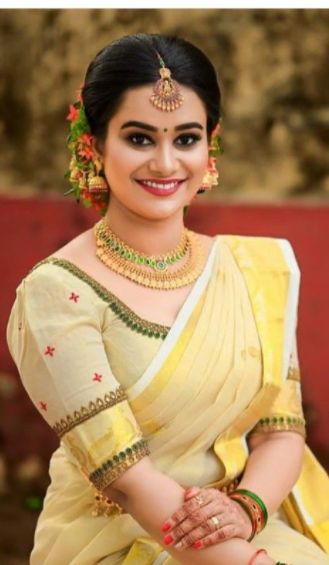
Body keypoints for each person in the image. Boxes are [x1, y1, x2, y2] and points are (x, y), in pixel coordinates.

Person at [6, 33, 329, 565]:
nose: (165, 163)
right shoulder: (56, 294)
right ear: (93, 144)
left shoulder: (251, 273)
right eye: (138, 138)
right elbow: (129, 483)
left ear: (210, 146)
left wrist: (247, 509)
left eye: (185, 139)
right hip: (112, 541)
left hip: (245, 525)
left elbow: (281, 431)